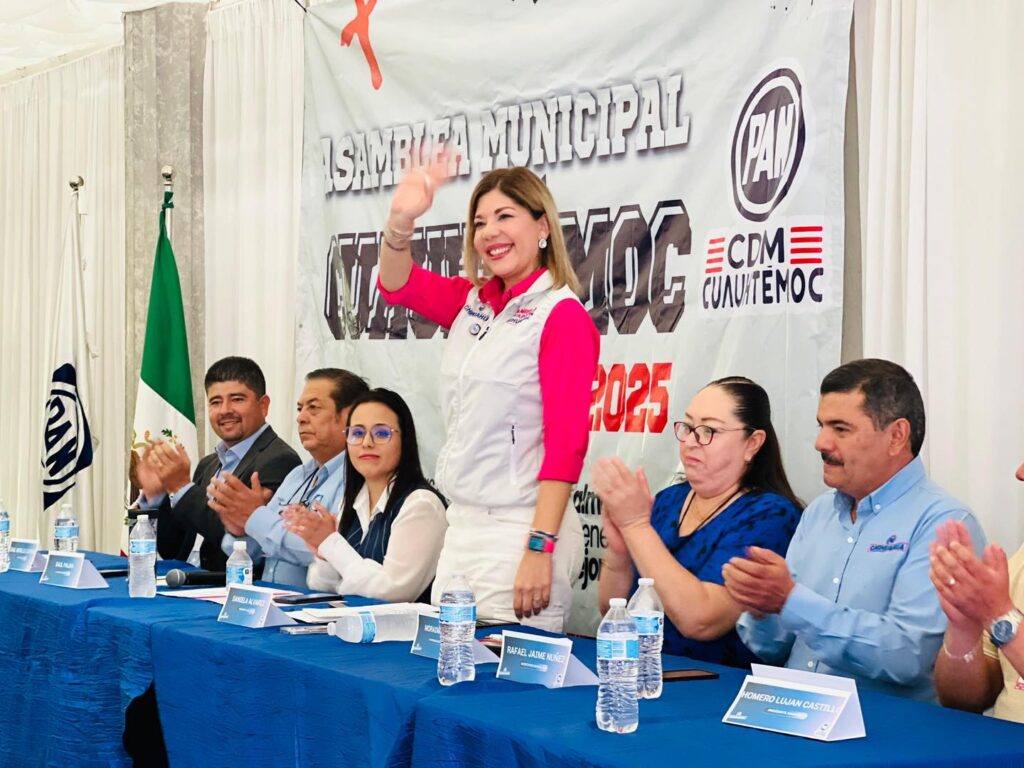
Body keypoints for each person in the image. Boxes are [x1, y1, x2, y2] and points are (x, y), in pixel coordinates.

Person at [377, 162, 599, 631]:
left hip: (522, 530)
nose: (489, 233)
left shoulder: (561, 316)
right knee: (447, 665)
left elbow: (567, 444)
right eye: (479, 222)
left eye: (505, 216)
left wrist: (540, 546)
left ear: (542, 226)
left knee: (504, 675)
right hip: (461, 528)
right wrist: (400, 222)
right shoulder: (473, 303)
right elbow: (398, 283)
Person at [725, 358, 986, 701]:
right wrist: (762, 609)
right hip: (790, 712)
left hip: (880, 726)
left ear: (896, 436)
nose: (820, 442)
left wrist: (790, 600)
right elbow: (771, 649)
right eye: (821, 426)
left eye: (840, 429)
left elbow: (907, 658)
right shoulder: (819, 512)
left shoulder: (943, 523)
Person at [593, 376, 802, 667]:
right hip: (644, 673)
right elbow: (613, 610)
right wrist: (619, 554)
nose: (691, 442)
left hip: (718, 683)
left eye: (708, 431)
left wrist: (636, 528)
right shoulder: (668, 501)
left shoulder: (769, 515)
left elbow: (701, 621)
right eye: (688, 428)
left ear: (752, 443)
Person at [134, 356, 300, 571]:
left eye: (237, 399)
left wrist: (182, 487)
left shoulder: (279, 460)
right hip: (188, 580)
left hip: (234, 585)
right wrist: (155, 496)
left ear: (263, 405)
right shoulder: (208, 464)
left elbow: (244, 540)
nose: (224, 410)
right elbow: (173, 549)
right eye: (215, 402)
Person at [284, 388, 447, 602]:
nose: (366, 442)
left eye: (381, 433)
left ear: (405, 440)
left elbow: (393, 592)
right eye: (357, 433)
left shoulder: (421, 505)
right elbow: (322, 585)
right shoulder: (352, 502)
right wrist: (324, 552)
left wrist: (331, 543)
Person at [218, 368, 368, 586]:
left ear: (350, 417)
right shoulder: (297, 476)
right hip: (269, 600)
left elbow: (325, 550)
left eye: (313, 408)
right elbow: (255, 552)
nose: (301, 418)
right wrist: (240, 531)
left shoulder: (359, 477)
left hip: (319, 604)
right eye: (300, 409)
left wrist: (255, 516)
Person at [931, 461, 1024, 722]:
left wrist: (1000, 616)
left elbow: (1001, 617)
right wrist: (964, 629)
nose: (1020, 473)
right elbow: (963, 700)